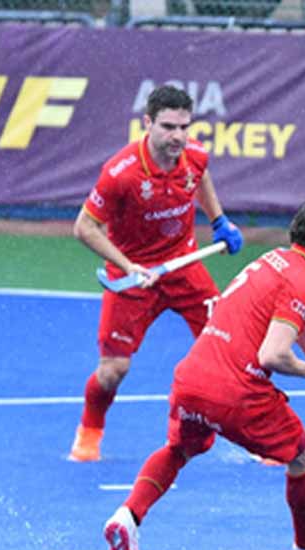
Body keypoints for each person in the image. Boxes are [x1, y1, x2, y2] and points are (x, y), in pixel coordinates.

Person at [103, 200, 305, 550]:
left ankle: (127, 518)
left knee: (179, 449)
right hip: (236, 392)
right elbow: (273, 356)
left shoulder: (273, 263)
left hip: (191, 380)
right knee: (304, 452)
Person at [69, 84, 244, 462]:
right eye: (168, 127)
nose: (177, 136)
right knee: (113, 370)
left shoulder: (194, 154)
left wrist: (219, 221)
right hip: (133, 278)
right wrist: (129, 266)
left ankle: (255, 434)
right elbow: (84, 227)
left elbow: (201, 177)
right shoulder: (120, 173)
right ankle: (89, 431)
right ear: (147, 123)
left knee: (230, 350)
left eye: (184, 127)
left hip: (185, 268)